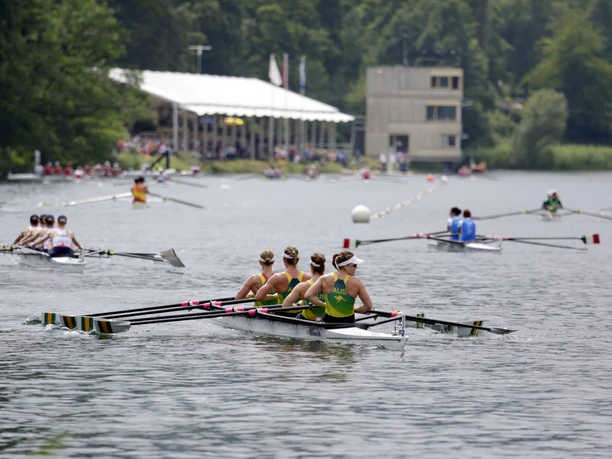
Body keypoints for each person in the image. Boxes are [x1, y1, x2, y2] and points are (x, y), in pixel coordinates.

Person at [304, 251, 372, 324]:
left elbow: (308, 295)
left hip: (328, 321)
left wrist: (322, 305)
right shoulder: (357, 282)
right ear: (345, 266)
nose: (356, 267)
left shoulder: (324, 279)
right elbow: (368, 306)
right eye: (354, 265)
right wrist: (355, 310)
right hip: (349, 322)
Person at [254, 246, 312, 316]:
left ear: (284, 260)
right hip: (301, 314)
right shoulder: (309, 277)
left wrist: (274, 296)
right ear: (298, 260)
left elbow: (258, 297)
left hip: (282, 314)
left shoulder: (277, 278)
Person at [282, 253, 327, 321]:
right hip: (327, 320)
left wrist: (298, 305)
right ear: (323, 266)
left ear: (311, 267)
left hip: (308, 321)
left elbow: (285, 306)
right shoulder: (332, 283)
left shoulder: (302, 286)